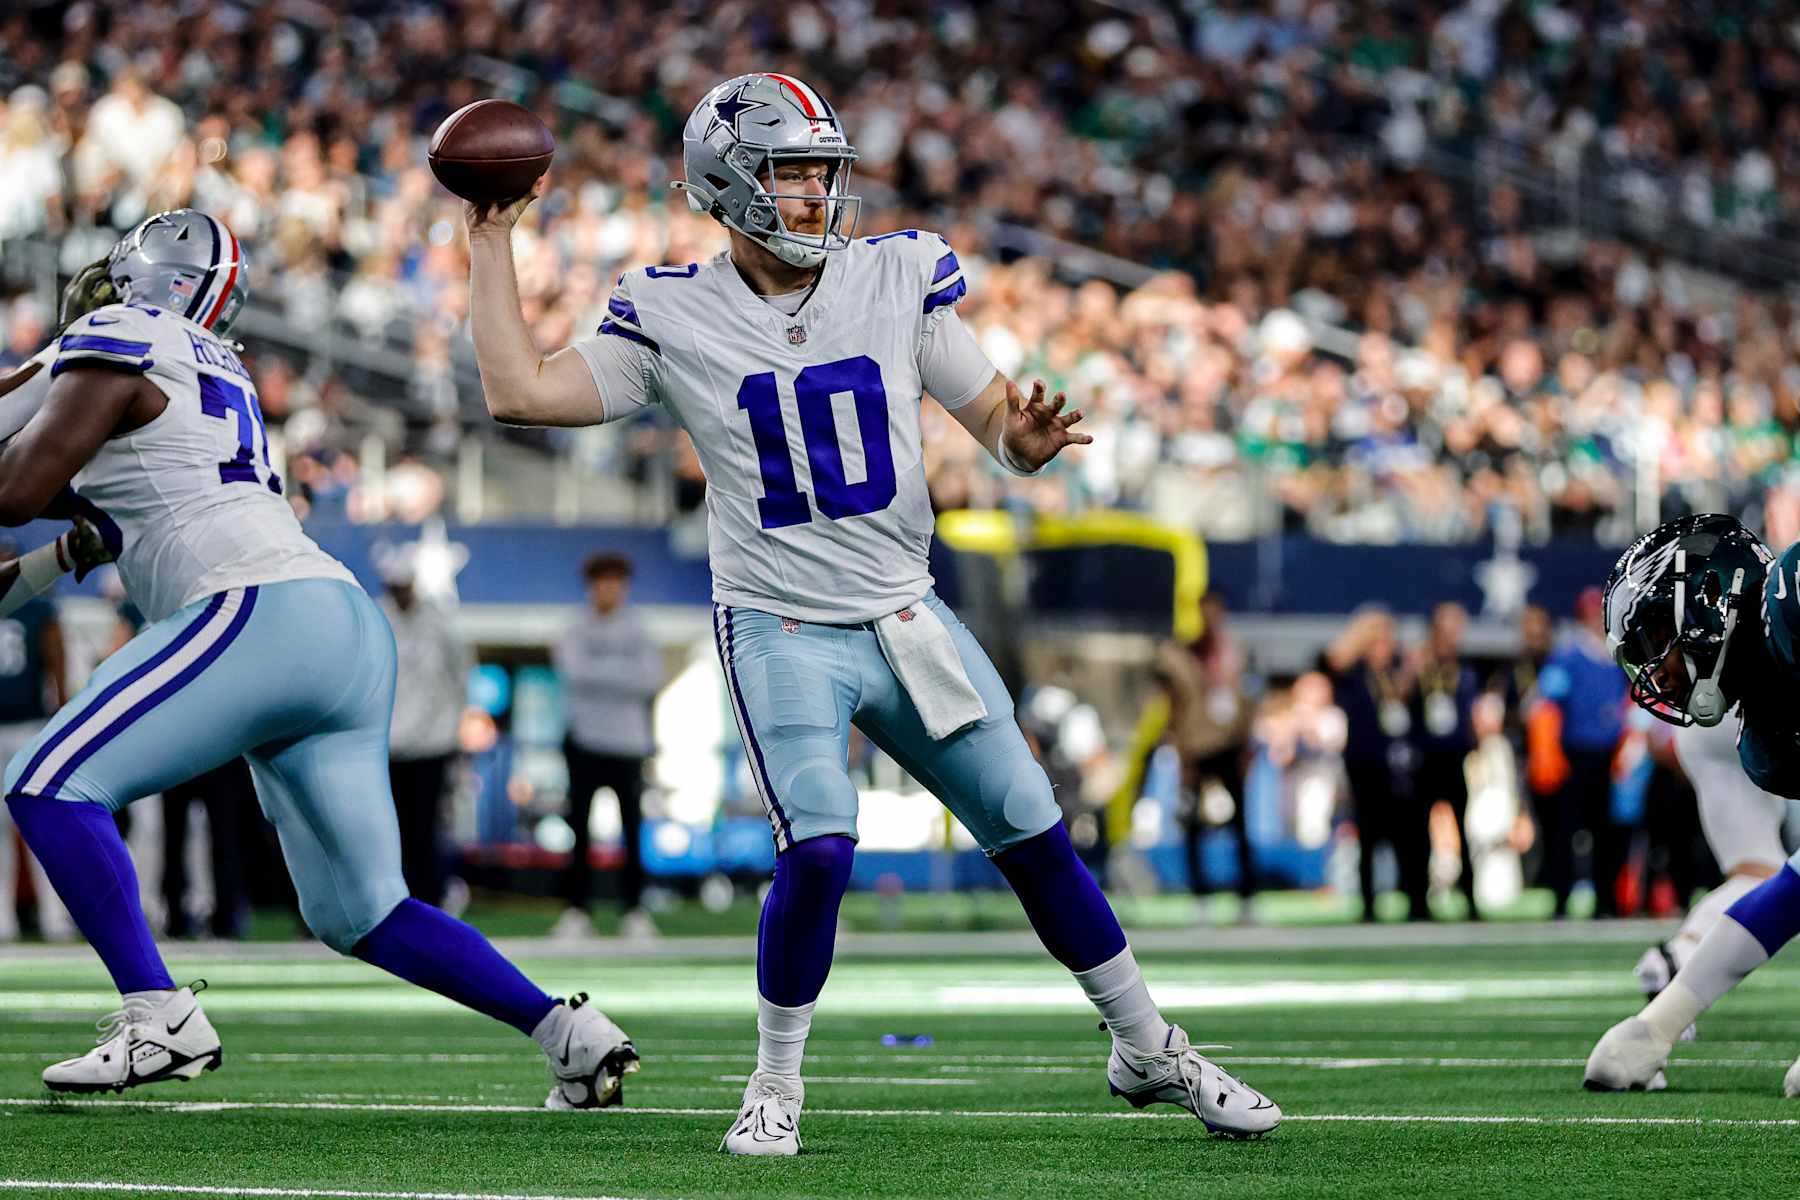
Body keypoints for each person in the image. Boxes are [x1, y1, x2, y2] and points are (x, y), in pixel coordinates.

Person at [466, 73, 1281, 1153]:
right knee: (819, 845)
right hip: (780, 624)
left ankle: (1147, 1047)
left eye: (822, 172)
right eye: (790, 174)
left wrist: (1026, 441)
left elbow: (997, 422)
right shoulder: (673, 311)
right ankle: (775, 1082)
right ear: (728, 186)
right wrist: (490, 240)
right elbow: (520, 391)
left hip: (905, 614)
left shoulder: (896, 276)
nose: (816, 194)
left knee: (1033, 826)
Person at [0, 209, 635, 1108]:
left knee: (48, 783)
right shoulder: (207, 379)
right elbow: (70, 511)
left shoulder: (121, 334)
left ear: (145, 286)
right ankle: (565, 1032)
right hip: (338, 624)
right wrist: (64, 547)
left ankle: (157, 1014)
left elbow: (16, 487)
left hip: (255, 609)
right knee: (362, 911)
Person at [1586, 514, 1800, 1093]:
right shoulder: (1766, 740)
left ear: (1709, 603)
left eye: (1658, 639)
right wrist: (1657, 1025)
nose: (1658, 672)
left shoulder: (1794, 592)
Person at [551, 551, 663, 941]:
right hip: (584, 741)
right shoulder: (574, 627)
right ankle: (577, 911)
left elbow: (650, 679)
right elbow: (572, 672)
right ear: (591, 586)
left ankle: (633, 910)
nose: (608, 589)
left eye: (615, 582)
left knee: (632, 830)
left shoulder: (639, 628)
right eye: (602, 582)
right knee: (579, 830)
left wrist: (599, 673)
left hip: (629, 745)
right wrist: (621, 672)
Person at [379, 553, 472, 908]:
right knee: (391, 831)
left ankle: (431, 898)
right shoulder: (377, 619)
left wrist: (451, 728)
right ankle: (396, 902)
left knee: (427, 827)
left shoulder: (441, 625)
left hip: (433, 744)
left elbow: (460, 676)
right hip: (388, 746)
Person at [1155, 591, 1256, 917]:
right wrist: (1179, 749)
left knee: (1240, 823)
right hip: (1196, 746)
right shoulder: (1181, 654)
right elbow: (1173, 705)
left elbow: (1248, 701)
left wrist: (1247, 745)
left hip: (1230, 744)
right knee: (1194, 824)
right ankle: (1201, 896)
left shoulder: (1235, 653)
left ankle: (1246, 897)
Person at [1325, 607, 1427, 922]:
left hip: (1401, 764)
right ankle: (1369, 904)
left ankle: (1417, 900)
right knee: (1369, 834)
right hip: (1366, 764)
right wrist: (1362, 632)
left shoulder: (1397, 671)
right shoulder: (1355, 673)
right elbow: (1330, 660)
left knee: (1409, 835)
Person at [0, 532, 74, 941]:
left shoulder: (39, 608)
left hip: (30, 724)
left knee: (40, 823)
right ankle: (9, 918)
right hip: (19, 725)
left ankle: (53, 915)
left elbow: (54, 655)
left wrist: (61, 710)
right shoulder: (38, 606)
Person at [1537, 587, 1628, 917]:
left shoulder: (1617, 656)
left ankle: (1606, 898)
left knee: (1607, 829)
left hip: (1610, 753)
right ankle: (1561, 895)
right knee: (1567, 828)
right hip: (1575, 752)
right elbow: (1548, 704)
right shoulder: (1569, 655)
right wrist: (1549, 754)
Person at [1409, 602, 1481, 919]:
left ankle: (1469, 897)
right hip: (1424, 758)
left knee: (1463, 829)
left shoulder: (1463, 670)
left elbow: (1470, 714)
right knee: (1418, 831)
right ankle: (1418, 899)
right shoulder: (1419, 666)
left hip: (1453, 756)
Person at [159, 758, 254, 939]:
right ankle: (179, 917)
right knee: (177, 840)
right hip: (196, 757)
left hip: (198, 758)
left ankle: (222, 917)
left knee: (223, 839)